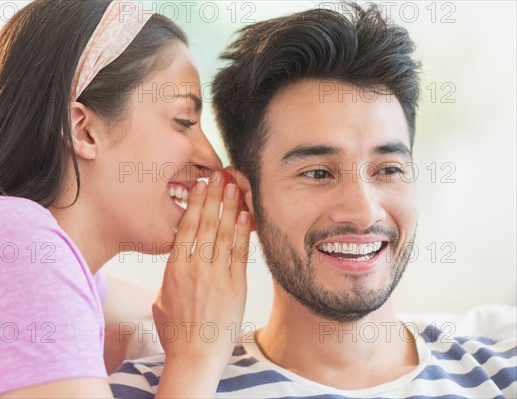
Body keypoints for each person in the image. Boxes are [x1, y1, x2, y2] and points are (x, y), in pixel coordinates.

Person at [109, 3, 517, 398]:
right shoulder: (151, 389)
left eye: (388, 169)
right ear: (244, 199)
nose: (363, 212)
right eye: (318, 173)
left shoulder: (503, 373)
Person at [0, 0, 251, 398]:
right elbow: (197, 334)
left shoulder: (51, 264)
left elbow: (180, 310)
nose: (211, 161)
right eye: (183, 122)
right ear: (83, 130)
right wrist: (196, 361)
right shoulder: (9, 243)